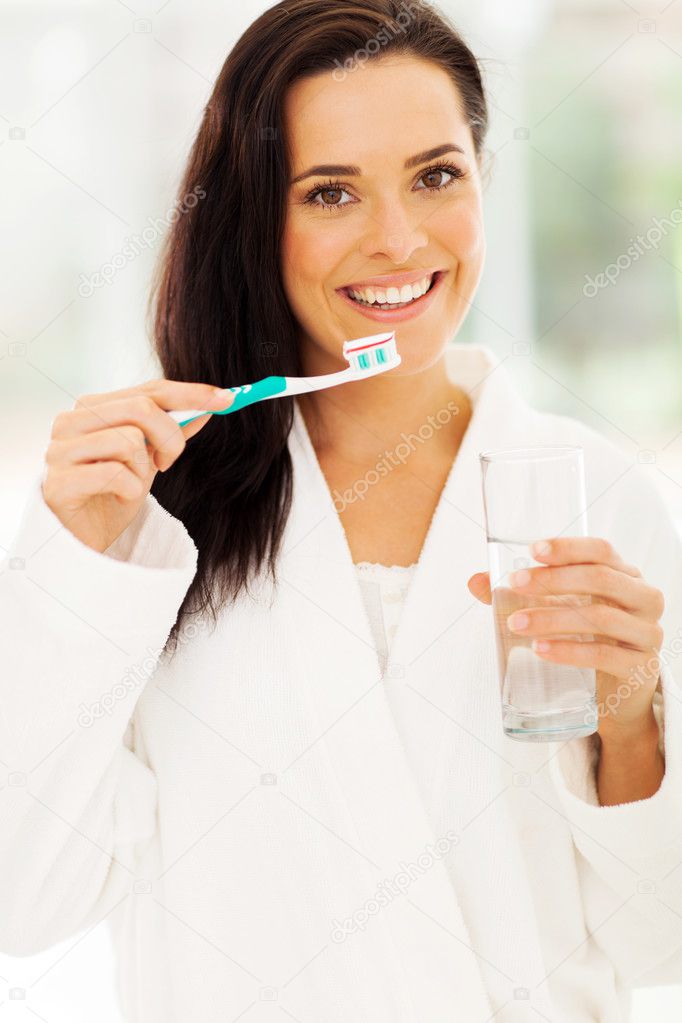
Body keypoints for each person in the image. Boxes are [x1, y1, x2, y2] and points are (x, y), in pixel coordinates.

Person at [2, 1, 682, 1020]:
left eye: (435, 175)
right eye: (330, 193)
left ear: (483, 180)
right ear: (251, 218)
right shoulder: (148, 521)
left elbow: (659, 941)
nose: (399, 238)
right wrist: (72, 569)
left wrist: (631, 720)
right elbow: (23, 904)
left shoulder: (597, 497)